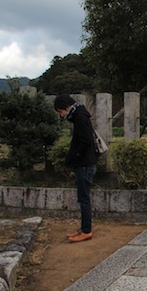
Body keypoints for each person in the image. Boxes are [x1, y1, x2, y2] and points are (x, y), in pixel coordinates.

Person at [53, 94, 97, 242]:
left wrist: (74, 157)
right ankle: (85, 228)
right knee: (83, 198)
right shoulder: (80, 116)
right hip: (85, 163)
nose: (62, 115)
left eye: (60, 112)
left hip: (84, 164)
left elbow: (85, 142)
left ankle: (86, 230)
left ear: (66, 107)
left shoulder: (80, 118)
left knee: (84, 199)